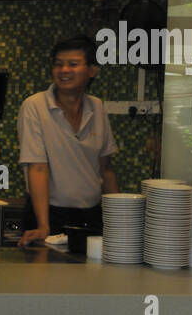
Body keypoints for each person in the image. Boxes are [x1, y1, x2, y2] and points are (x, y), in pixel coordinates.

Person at [18, 35, 120, 246]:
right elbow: (37, 168)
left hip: (92, 216)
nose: (64, 70)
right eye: (58, 65)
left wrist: (119, 221)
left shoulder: (97, 107)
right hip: (50, 215)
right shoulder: (34, 106)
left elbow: (106, 170)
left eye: (73, 64)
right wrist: (44, 226)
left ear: (92, 71)